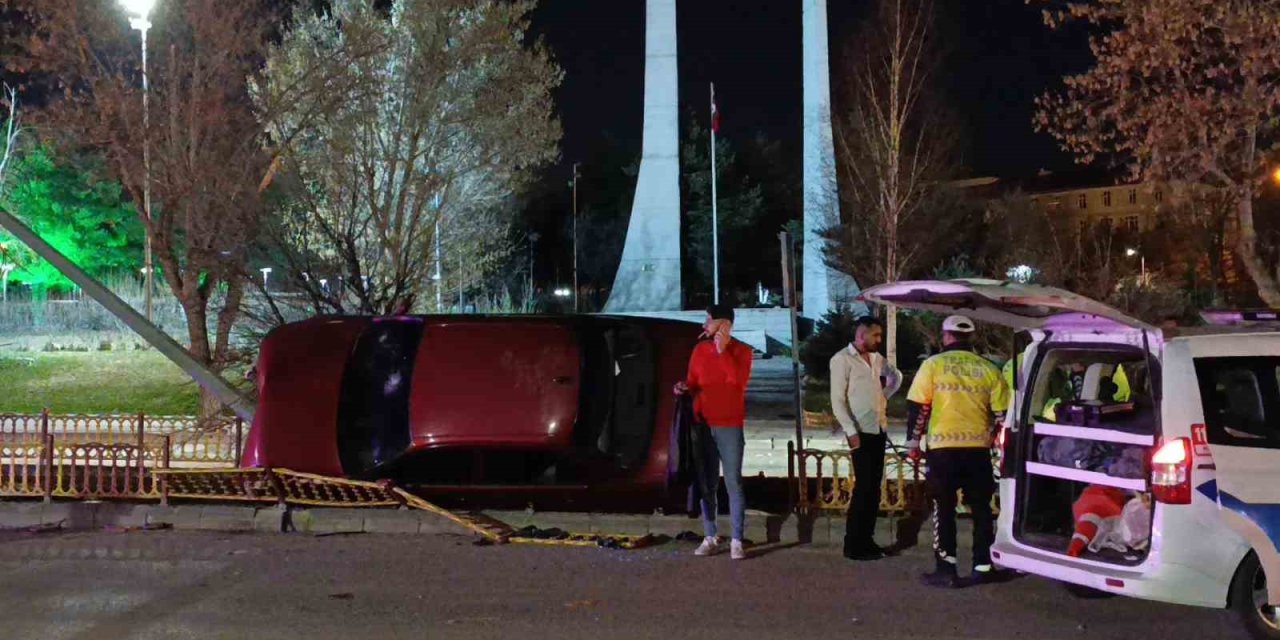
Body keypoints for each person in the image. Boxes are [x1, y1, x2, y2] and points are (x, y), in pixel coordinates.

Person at [905, 315, 1010, 588]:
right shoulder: (988, 368)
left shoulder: (933, 366)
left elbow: (919, 407)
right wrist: (1000, 445)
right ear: (970, 337)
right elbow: (1002, 415)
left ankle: (946, 568)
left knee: (943, 508)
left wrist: (913, 444)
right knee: (982, 509)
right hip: (977, 450)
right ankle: (983, 566)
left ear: (946, 336)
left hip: (943, 450)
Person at [673, 303, 754, 560]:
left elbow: (738, 381)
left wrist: (722, 352)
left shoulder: (742, 351)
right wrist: (683, 388)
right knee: (706, 482)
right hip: (703, 423)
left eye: (708, 320)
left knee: (733, 481)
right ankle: (710, 535)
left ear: (723, 324)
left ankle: (737, 539)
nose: (704, 325)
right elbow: (694, 382)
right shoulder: (699, 350)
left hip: (729, 423)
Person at [829, 316, 902, 561]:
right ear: (862, 334)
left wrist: (882, 398)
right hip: (859, 432)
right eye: (876, 335)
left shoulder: (877, 359)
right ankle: (854, 544)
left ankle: (867, 540)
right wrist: (850, 431)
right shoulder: (841, 360)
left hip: (878, 428)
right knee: (863, 488)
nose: (879, 340)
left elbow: (896, 377)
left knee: (873, 488)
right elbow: (837, 400)